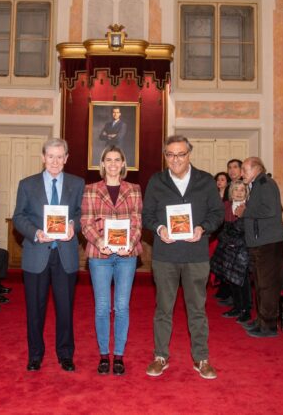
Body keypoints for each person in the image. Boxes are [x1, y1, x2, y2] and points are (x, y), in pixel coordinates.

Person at [142, 135, 224, 380]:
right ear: (165, 156)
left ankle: (201, 358)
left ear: (189, 154)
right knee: (163, 309)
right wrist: (159, 228)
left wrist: (203, 228)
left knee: (197, 309)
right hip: (165, 255)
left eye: (180, 154)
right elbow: (146, 215)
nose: (175, 159)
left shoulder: (206, 180)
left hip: (196, 255)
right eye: (170, 154)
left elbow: (218, 213)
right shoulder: (157, 181)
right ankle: (160, 356)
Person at [12, 138, 85, 372]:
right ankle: (35, 355)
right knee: (35, 310)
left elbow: (82, 214)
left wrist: (74, 225)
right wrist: (35, 233)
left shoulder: (77, 183)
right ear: (43, 157)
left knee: (65, 309)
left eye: (59, 156)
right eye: (50, 156)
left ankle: (65, 354)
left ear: (66, 158)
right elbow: (19, 217)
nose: (55, 161)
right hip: (36, 254)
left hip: (65, 255)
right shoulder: (27, 184)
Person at [81, 145, 143, 376]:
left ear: (123, 163)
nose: (114, 163)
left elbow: (137, 221)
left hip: (127, 255)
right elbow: (86, 222)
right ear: (103, 163)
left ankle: (119, 354)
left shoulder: (134, 189)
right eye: (109, 159)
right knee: (102, 307)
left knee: (122, 307)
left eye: (118, 159)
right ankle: (103, 355)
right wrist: (99, 242)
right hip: (100, 256)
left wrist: (131, 242)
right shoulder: (90, 189)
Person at [236, 156, 283, 338]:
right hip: (260, 243)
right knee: (260, 284)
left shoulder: (266, 183)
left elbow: (272, 210)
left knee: (267, 286)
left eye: (244, 170)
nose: (242, 174)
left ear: (256, 168)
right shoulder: (257, 184)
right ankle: (261, 321)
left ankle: (268, 326)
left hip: (269, 243)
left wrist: (245, 212)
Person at [210, 181, 251, 322]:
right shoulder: (225, 206)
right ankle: (237, 307)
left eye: (242, 190)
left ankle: (246, 311)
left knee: (242, 281)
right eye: (236, 190)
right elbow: (219, 227)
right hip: (228, 247)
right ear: (231, 192)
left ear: (246, 193)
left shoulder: (249, 207)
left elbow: (247, 231)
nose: (239, 192)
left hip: (242, 249)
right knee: (231, 280)